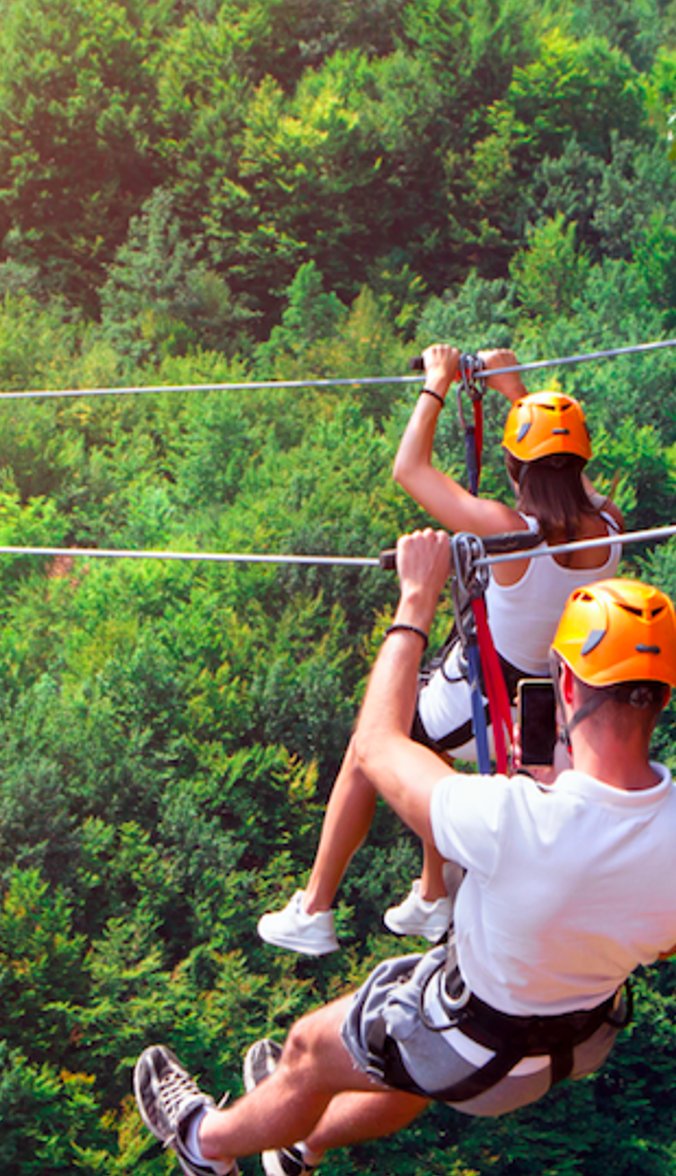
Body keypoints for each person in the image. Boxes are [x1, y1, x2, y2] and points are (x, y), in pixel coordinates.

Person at [137, 530, 676, 1176]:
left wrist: (416, 600)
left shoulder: (513, 820)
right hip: (575, 1042)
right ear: (664, 695)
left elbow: (375, 745)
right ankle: (303, 1140)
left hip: (474, 1045)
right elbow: (668, 939)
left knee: (312, 1048)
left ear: (565, 682)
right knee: (406, 1061)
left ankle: (204, 1145)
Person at [258, 346, 627, 956]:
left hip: (480, 700)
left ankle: (315, 907)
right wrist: (517, 394)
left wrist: (436, 383)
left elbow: (410, 470)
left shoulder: (507, 533)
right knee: (432, 749)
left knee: (369, 745)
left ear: (514, 467)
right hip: (536, 710)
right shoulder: (611, 527)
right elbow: (570, 476)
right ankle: (433, 895)